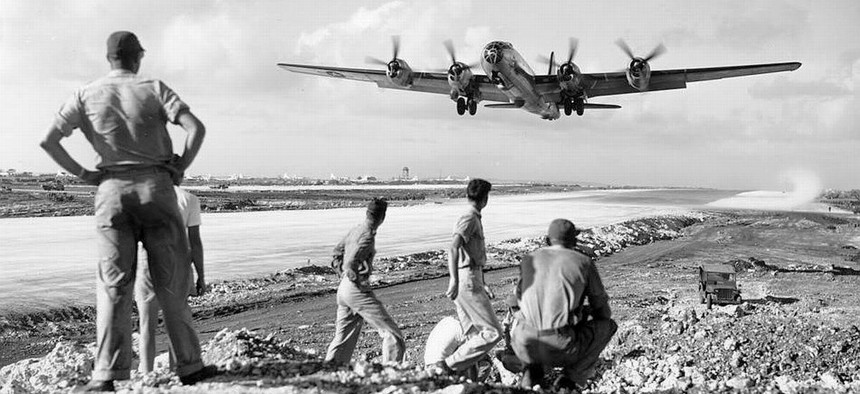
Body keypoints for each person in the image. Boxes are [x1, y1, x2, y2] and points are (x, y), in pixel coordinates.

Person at [40, 31, 216, 391]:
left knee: (113, 287)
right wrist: (181, 166)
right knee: (172, 283)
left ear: (109, 59)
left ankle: (107, 375)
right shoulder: (153, 87)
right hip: (157, 189)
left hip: (112, 192)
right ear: (139, 57)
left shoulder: (86, 93)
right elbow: (196, 128)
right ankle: (190, 367)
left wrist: (86, 174)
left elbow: (49, 140)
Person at [509, 219, 617, 390]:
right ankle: (570, 380)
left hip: (523, 342)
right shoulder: (583, 262)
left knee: (534, 336)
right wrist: (582, 314)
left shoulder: (528, 259)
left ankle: (531, 373)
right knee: (607, 326)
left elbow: (516, 302)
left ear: (547, 240)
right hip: (558, 345)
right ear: (574, 241)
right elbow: (603, 313)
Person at [325, 198, 405, 366]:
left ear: (367, 213)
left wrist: (343, 276)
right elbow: (351, 262)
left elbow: (336, 253)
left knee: (343, 337)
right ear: (382, 217)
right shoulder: (367, 236)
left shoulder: (356, 230)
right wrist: (357, 281)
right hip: (355, 288)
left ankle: (331, 370)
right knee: (393, 334)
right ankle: (391, 373)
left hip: (344, 288)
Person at [136, 185, 205, 373]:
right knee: (176, 324)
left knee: (146, 324)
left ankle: (146, 375)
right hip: (177, 263)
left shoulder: (143, 197)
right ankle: (177, 372)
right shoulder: (189, 199)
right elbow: (195, 242)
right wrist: (201, 275)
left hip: (147, 261)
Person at [437, 179, 502, 376]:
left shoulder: (472, 218)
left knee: (473, 336)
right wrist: (454, 279)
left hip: (471, 277)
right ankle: (448, 366)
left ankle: (467, 381)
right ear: (485, 199)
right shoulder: (470, 218)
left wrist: (483, 283)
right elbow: (453, 247)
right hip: (467, 279)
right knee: (493, 333)